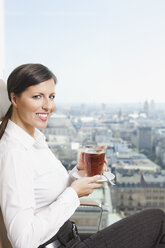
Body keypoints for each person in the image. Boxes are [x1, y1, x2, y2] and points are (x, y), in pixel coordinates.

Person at [0, 63, 165, 248]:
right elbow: (23, 241)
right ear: (14, 99)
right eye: (37, 96)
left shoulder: (32, 139)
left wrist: (77, 173)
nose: (48, 106)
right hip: (61, 244)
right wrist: (74, 193)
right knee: (159, 222)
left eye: (51, 96)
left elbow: (42, 193)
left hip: (69, 239)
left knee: (156, 220)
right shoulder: (15, 153)